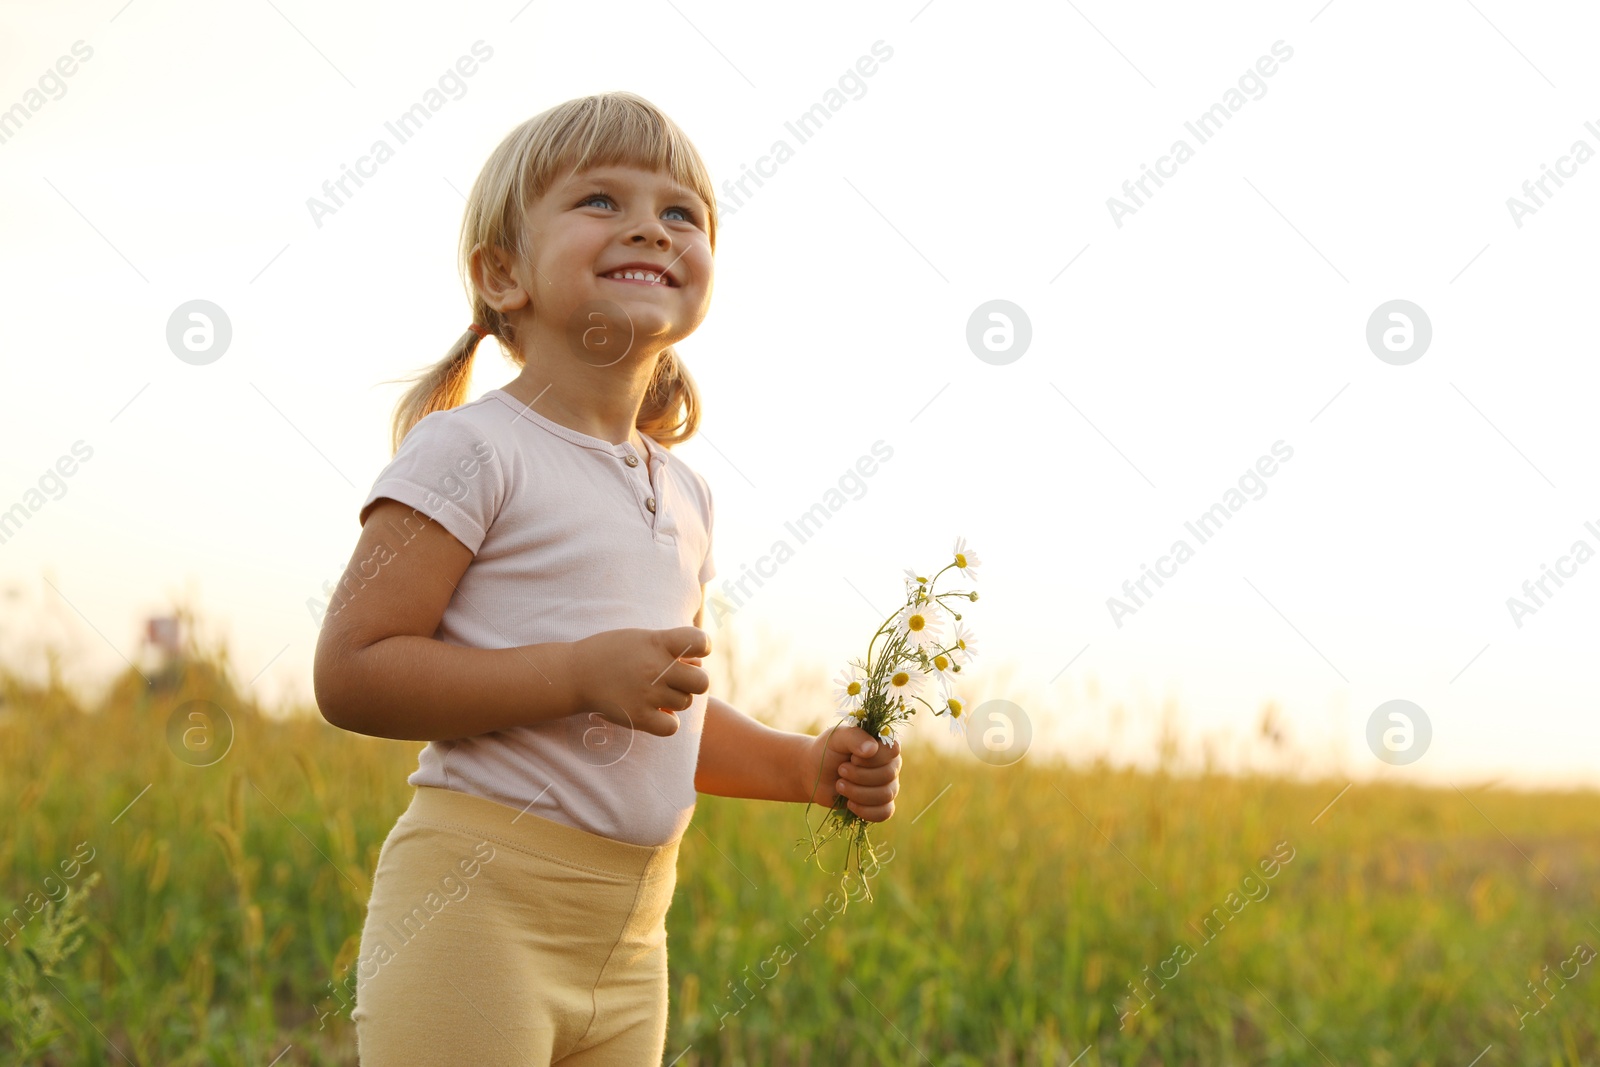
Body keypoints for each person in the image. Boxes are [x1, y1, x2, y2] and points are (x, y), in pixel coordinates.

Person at [311, 91, 903, 1066]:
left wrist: (805, 768)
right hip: (474, 906)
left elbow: (664, 714)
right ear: (503, 273)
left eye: (682, 212)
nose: (648, 225)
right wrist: (578, 671)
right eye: (599, 200)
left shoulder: (685, 491)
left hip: (631, 937)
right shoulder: (471, 450)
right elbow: (353, 670)